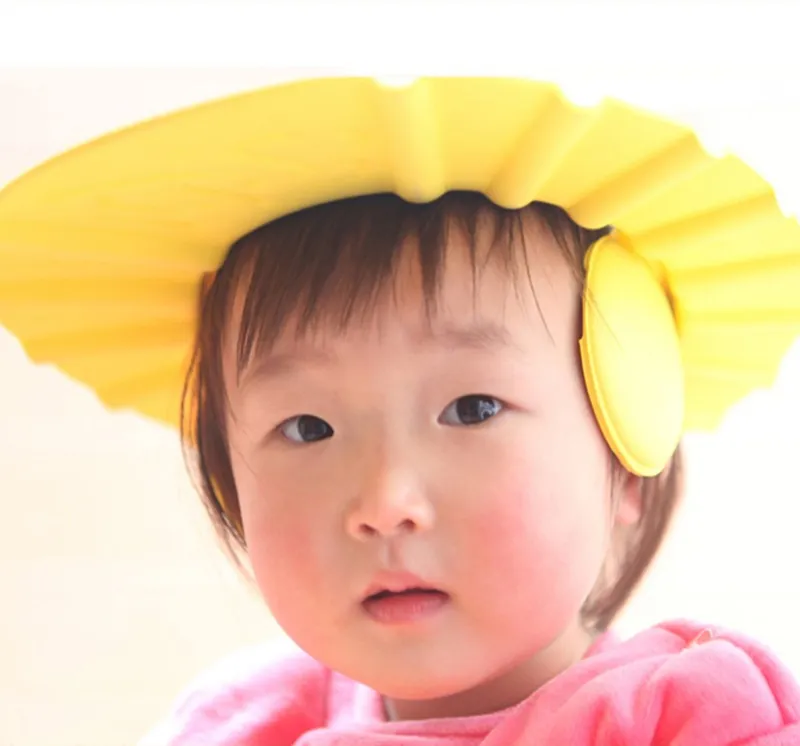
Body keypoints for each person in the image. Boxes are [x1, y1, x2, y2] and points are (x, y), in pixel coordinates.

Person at [1, 77, 799, 745]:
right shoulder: (238, 725)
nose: (384, 504)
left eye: (473, 407)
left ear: (626, 450)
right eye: (307, 428)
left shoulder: (689, 722)